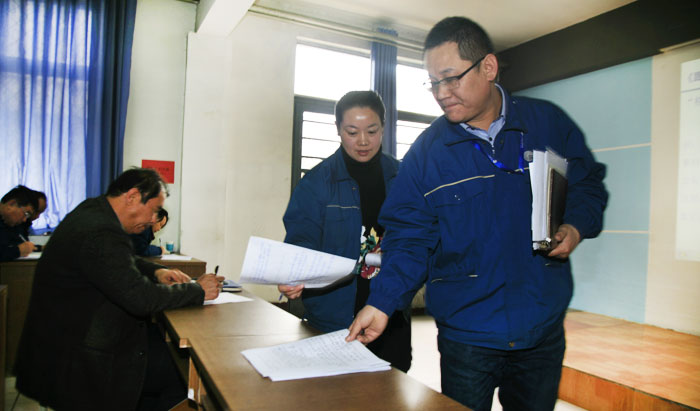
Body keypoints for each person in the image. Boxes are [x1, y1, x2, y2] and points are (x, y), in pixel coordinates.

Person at [347, 17, 608, 411]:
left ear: (488, 67)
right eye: (433, 82)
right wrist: (382, 302)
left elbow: (587, 185)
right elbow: (409, 238)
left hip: (541, 330)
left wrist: (575, 226)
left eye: (451, 78)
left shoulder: (547, 124)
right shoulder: (426, 155)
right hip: (467, 338)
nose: (441, 93)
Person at [14, 168, 224, 411]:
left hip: (71, 340)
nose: (153, 220)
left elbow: (119, 261)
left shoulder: (93, 212)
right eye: (154, 210)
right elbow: (141, 298)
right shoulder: (100, 231)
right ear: (132, 196)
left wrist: (156, 272)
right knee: (181, 372)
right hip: (78, 357)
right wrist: (197, 290)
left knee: (166, 355)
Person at [279, 90, 412, 372]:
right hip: (334, 319)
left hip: (389, 312)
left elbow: (415, 238)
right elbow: (301, 239)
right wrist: (295, 272)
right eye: (352, 132)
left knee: (391, 387)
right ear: (338, 129)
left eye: (371, 131)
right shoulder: (317, 182)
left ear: (383, 128)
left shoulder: (402, 177)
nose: (363, 141)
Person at [0, 185, 37, 261]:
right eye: (26, 213)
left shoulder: (11, 225)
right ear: (12, 203)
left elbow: (19, 243)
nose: (24, 220)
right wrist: (17, 251)